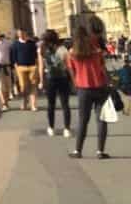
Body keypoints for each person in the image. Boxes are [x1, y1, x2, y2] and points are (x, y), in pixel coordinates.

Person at [68, 22, 111, 160]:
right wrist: (109, 82)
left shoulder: (73, 53)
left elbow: (72, 72)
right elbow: (103, 69)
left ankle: (77, 151)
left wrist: (75, 84)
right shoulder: (96, 51)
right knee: (101, 120)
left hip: (83, 89)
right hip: (100, 87)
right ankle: (100, 151)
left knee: (82, 120)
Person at [37, 28, 72, 138]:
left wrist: (41, 81)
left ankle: (51, 127)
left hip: (50, 79)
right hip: (63, 78)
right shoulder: (63, 49)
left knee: (51, 105)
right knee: (65, 104)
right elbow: (69, 66)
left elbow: (41, 67)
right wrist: (74, 80)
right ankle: (67, 129)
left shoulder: (42, 50)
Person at [12, 29, 39, 111]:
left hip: (32, 67)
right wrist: (16, 66)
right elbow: (13, 56)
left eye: (23, 33)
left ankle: (33, 105)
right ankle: (24, 102)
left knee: (33, 85)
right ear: (18, 34)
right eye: (19, 34)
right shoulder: (15, 44)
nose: (21, 35)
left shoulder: (31, 43)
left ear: (25, 33)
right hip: (21, 67)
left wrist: (36, 66)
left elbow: (36, 55)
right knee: (23, 86)